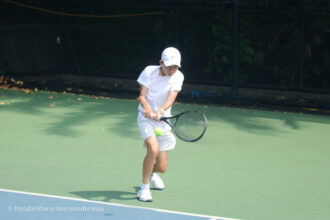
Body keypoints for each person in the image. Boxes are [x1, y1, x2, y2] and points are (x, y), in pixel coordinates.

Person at [136, 47, 184, 202]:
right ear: (161, 63)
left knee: (162, 167)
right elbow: (141, 96)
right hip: (146, 119)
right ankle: (144, 189)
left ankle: (151, 172)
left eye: (175, 66)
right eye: (169, 66)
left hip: (163, 120)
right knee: (153, 149)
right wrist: (148, 108)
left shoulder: (178, 76)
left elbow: (171, 97)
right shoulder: (149, 72)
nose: (172, 70)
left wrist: (161, 111)